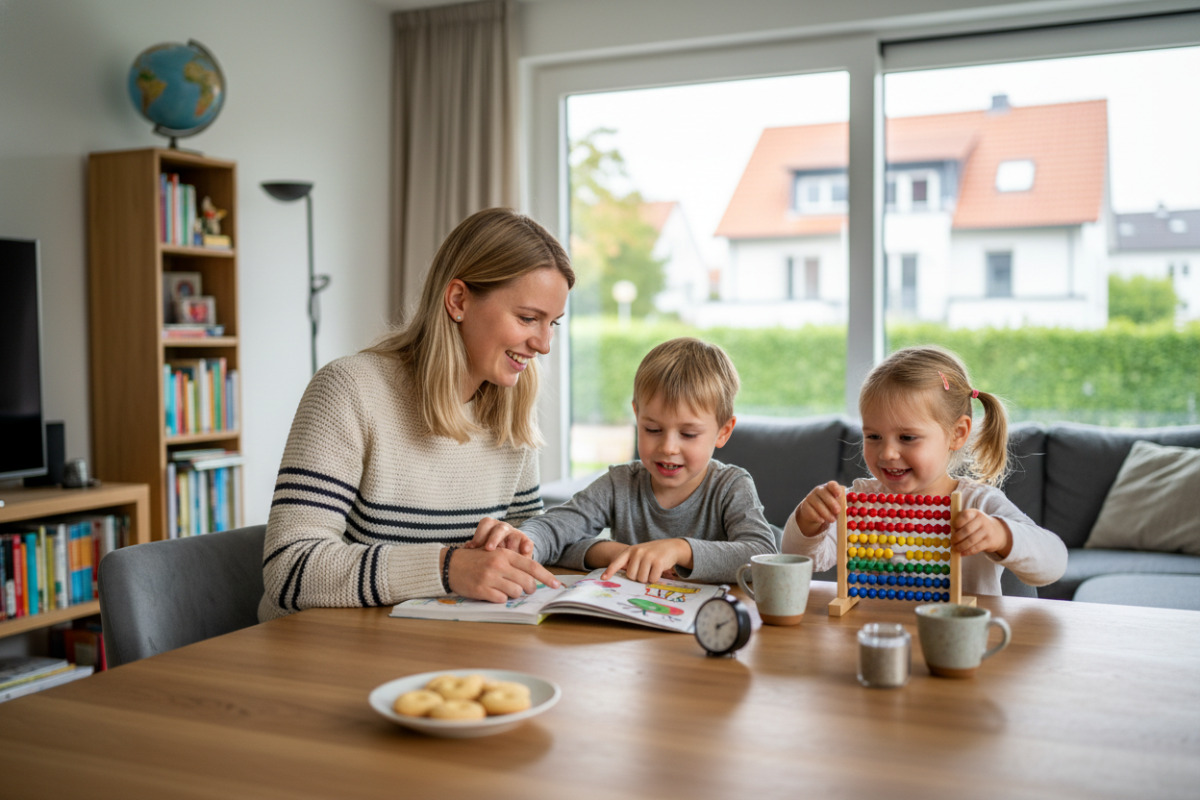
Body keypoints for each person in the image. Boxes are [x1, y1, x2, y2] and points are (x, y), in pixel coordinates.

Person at [259, 208, 574, 621]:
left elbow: (528, 540)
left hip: (440, 649)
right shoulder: (350, 389)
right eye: (528, 318)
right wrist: (447, 568)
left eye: (553, 324)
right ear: (458, 300)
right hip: (324, 654)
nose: (544, 345)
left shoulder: (509, 413)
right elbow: (290, 569)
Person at [474, 337, 777, 585]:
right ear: (636, 416)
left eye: (688, 434)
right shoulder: (620, 483)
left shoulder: (731, 486)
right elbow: (558, 531)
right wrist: (524, 542)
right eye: (652, 429)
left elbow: (762, 555)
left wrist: (679, 549)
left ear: (723, 432)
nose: (668, 447)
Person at [782, 344, 1067, 595]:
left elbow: (1054, 563)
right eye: (873, 436)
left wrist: (1000, 534)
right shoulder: (861, 502)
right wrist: (808, 523)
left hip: (955, 644)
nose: (888, 453)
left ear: (957, 434)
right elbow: (799, 559)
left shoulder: (978, 504)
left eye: (907, 437)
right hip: (876, 638)